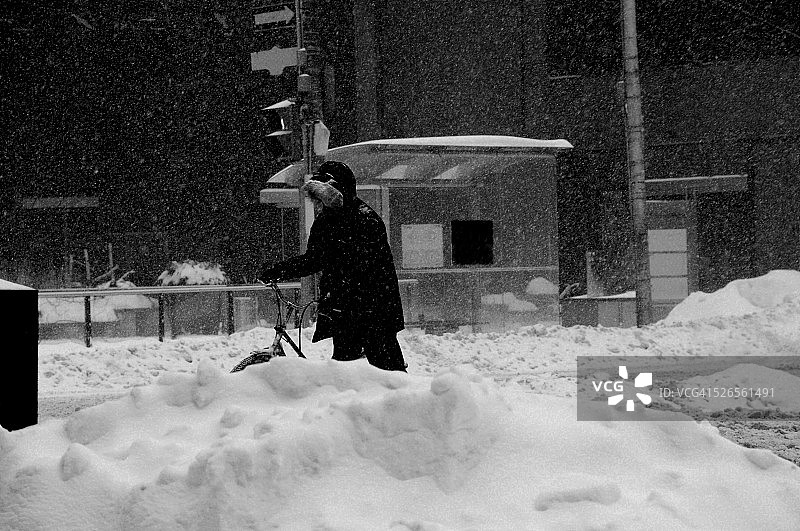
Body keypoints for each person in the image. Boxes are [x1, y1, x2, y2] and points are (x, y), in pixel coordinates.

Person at [258, 161, 407, 372]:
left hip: (373, 311)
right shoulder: (328, 220)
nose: (321, 203)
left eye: (326, 196)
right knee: (348, 371)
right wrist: (279, 271)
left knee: (386, 371)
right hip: (349, 310)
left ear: (340, 191)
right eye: (319, 197)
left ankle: (407, 403)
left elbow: (347, 265)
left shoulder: (364, 220)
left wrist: (281, 271)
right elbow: (315, 258)